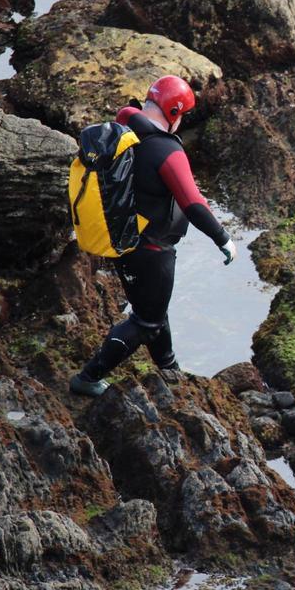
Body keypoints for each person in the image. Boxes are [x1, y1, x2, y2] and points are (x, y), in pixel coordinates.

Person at [70, 75, 236, 397]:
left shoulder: (125, 128)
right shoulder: (166, 151)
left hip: (123, 240)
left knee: (152, 309)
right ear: (174, 112)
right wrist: (223, 239)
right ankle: (88, 377)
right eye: (182, 114)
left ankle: (169, 368)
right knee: (146, 322)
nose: (182, 120)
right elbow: (194, 205)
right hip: (152, 250)